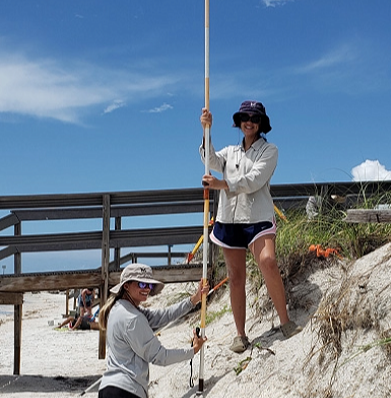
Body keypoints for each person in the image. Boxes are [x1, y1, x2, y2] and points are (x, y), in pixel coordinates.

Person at [199, 100, 301, 354]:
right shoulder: (230, 152)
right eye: (245, 117)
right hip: (229, 220)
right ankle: (240, 335)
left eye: (254, 118)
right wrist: (206, 130)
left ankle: (285, 322)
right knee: (235, 278)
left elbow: (255, 180)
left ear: (261, 123)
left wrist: (222, 185)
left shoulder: (270, 150)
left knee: (267, 261)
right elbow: (209, 159)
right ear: (239, 120)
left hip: (258, 218)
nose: (249, 122)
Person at [98, 264, 209, 398]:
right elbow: (160, 356)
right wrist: (193, 350)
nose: (146, 289)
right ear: (126, 286)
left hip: (108, 389)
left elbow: (164, 316)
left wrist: (194, 299)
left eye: (148, 285)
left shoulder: (118, 308)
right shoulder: (133, 318)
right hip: (126, 391)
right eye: (141, 284)